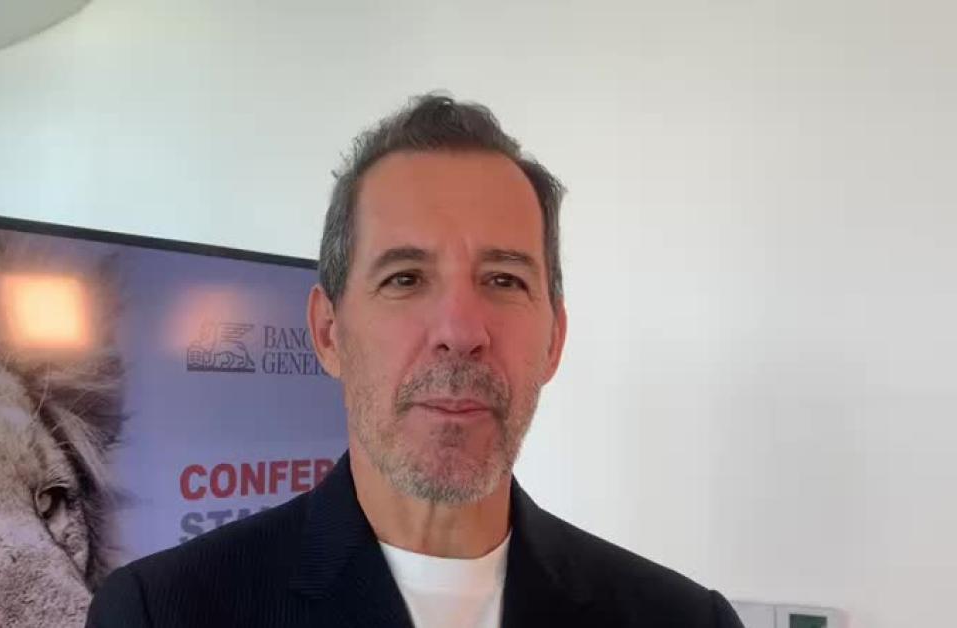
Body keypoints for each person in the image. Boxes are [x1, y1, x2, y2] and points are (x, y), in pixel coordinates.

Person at [86, 94, 744, 627]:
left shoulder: (685, 620)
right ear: (328, 333)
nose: (460, 332)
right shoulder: (162, 613)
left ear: (554, 340)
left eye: (504, 280)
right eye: (404, 278)